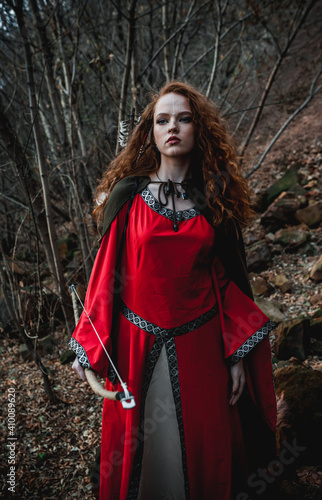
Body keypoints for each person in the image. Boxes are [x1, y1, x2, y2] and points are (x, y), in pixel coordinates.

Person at [69, 81, 277, 500]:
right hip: (134, 344)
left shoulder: (214, 200)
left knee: (206, 452)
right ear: (151, 132)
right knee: (140, 463)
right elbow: (106, 276)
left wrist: (235, 353)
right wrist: (90, 346)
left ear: (198, 129)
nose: (173, 127)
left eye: (184, 118)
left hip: (202, 349)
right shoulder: (128, 195)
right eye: (163, 120)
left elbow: (229, 282)